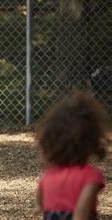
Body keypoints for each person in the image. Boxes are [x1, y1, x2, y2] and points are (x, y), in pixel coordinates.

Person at [35, 90, 109, 220]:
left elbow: (40, 201)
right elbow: (81, 211)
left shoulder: (48, 175)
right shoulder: (91, 176)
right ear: (91, 142)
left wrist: (42, 208)